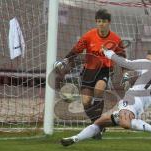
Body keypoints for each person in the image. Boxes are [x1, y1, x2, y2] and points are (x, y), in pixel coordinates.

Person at [60, 49, 151, 146]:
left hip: (131, 100)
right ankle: (75, 138)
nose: (147, 60)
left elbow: (125, 63)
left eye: (150, 59)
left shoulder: (147, 64)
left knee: (125, 124)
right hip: (138, 108)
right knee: (99, 122)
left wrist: (110, 54)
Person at [54, 9, 126, 137]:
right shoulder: (89, 36)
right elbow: (76, 50)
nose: (101, 24)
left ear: (109, 22)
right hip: (88, 71)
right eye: (98, 21)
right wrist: (65, 60)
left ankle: (97, 125)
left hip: (104, 70)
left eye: (104, 21)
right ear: (96, 22)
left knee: (99, 89)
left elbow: (122, 58)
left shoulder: (116, 39)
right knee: (86, 102)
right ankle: (97, 125)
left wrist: (125, 73)